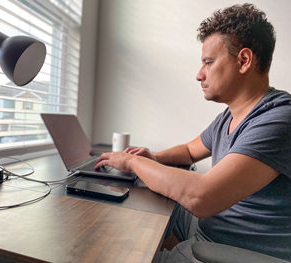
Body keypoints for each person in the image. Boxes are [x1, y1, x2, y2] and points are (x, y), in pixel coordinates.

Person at [95, 3, 291, 262]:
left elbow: (202, 196)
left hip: (239, 251)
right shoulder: (229, 117)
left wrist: (133, 161)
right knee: (135, 213)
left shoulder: (279, 118)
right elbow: (189, 151)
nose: (199, 74)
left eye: (208, 62)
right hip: (213, 226)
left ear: (243, 60)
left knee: (116, 256)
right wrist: (153, 157)